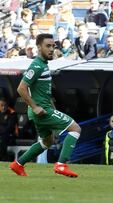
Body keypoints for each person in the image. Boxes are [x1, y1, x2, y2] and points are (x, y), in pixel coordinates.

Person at [9, 34, 82, 177]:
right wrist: (35, 107)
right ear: (38, 47)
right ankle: (61, 165)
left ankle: (18, 164)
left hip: (43, 109)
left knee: (47, 142)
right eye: (47, 46)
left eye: (53, 46)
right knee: (75, 128)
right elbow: (21, 88)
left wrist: (51, 107)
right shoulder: (36, 65)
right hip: (41, 111)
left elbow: (43, 92)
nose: (51, 49)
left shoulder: (43, 65)